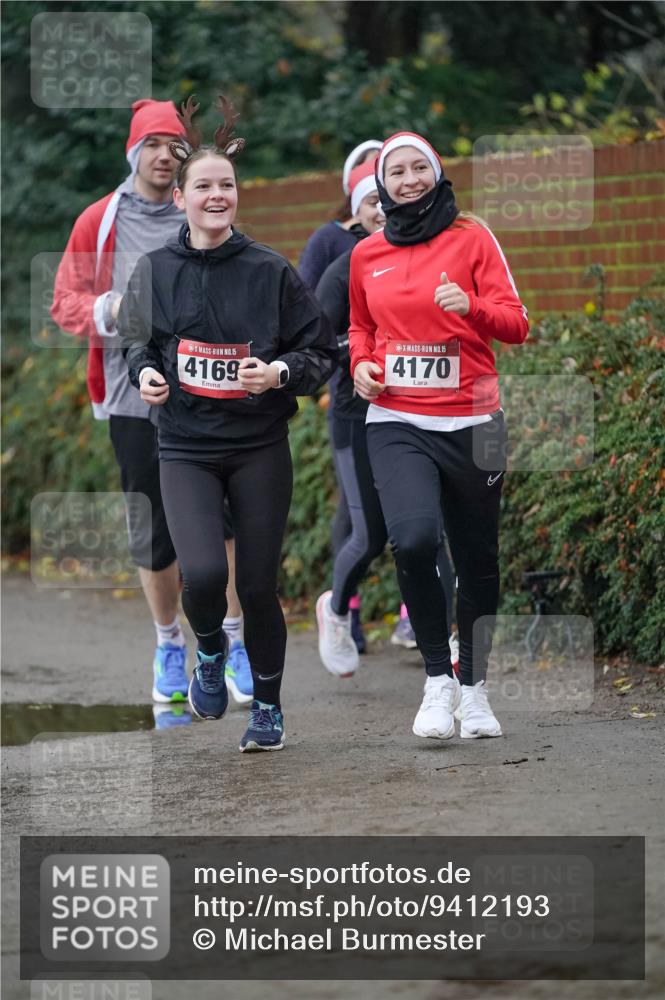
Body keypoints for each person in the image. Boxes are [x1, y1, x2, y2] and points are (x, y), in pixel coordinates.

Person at [119, 96, 337, 752]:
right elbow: (137, 342)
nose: (217, 196)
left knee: (258, 584)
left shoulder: (269, 270)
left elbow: (321, 352)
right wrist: (146, 374)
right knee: (206, 575)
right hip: (184, 445)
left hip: (259, 446)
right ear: (179, 197)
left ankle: (267, 706)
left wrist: (278, 375)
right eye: (203, 186)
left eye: (227, 186)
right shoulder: (156, 270)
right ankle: (208, 652)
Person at [50, 99, 253, 715]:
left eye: (175, 146)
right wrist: (109, 309)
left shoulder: (201, 203)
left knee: (221, 522)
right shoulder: (99, 221)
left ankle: (234, 642)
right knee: (153, 529)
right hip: (131, 398)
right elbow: (63, 303)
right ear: (133, 152)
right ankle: (169, 644)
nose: (165, 156)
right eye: (153, 145)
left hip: (206, 394)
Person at [349, 132, 528, 740]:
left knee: (479, 561)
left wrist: (470, 305)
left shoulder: (472, 238)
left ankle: (473, 691)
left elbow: (517, 325)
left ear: (437, 172)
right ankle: (436, 681)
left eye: (418, 167)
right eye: (395, 171)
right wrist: (361, 366)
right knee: (415, 539)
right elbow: (360, 326)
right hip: (398, 420)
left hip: (475, 420)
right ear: (381, 185)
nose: (408, 179)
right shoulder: (366, 253)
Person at [315, 159, 459, 678]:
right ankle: (335, 611)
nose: (382, 209)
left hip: (426, 414)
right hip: (359, 416)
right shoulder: (351, 264)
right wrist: (358, 360)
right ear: (358, 211)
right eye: (371, 202)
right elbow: (312, 335)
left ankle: (440, 643)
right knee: (371, 535)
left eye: (386, 200)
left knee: (429, 529)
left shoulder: (435, 254)